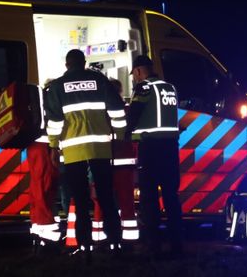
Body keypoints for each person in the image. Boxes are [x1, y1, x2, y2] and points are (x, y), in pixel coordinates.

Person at [45, 49, 126, 262]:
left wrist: (53, 146)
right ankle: (115, 243)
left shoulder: (57, 87)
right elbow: (117, 111)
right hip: (100, 149)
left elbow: (54, 122)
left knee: (80, 201)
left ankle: (85, 247)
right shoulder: (99, 80)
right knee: (106, 197)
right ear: (83, 62)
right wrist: (119, 137)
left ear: (67, 65)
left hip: (74, 152)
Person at [126, 55, 182, 257]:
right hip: (171, 148)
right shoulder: (170, 88)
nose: (135, 78)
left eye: (134, 75)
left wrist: (125, 134)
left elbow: (134, 115)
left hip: (150, 149)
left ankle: (154, 246)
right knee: (171, 197)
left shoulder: (144, 88)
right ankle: (177, 245)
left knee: (149, 198)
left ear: (139, 71)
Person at [27, 82, 61, 254]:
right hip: (45, 146)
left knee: (39, 188)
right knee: (44, 187)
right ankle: (48, 237)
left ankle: (40, 233)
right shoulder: (52, 99)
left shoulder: (40, 99)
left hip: (36, 146)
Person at [108, 78, 140, 243]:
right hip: (126, 163)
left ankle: (106, 239)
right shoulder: (128, 111)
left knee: (105, 202)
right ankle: (129, 239)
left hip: (106, 162)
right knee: (127, 201)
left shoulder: (102, 112)